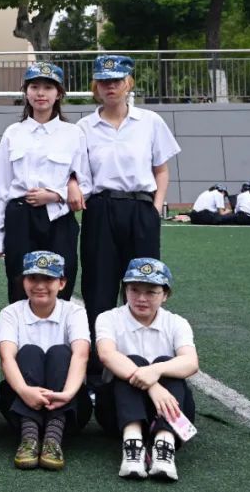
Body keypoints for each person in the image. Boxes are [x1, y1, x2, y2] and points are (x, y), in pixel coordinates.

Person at [75, 55, 180, 374]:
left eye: (117, 81)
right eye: (104, 82)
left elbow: (161, 169)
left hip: (140, 209)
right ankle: (97, 370)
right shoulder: (84, 127)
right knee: (99, 287)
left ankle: (142, 360)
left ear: (128, 83)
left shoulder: (150, 121)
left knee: (143, 285)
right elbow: (75, 171)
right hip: (101, 209)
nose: (111, 87)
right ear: (96, 86)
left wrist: (155, 206)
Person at [0, 62, 89, 302]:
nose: (41, 93)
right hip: (20, 218)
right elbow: (0, 186)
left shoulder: (73, 133)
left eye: (48, 87)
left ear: (59, 94)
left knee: (61, 280)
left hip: (58, 218)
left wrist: (56, 195)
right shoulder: (13, 133)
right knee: (19, 282)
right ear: (26, 92)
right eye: (34, 87)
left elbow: (87, 184)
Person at [95, 258, 199, 481]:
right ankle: (132, 444)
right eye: (134, 290)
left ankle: (164, 445)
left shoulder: (177, 323)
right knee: (131, 361)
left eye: (151, 292)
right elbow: (106, 355)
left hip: (166, 409)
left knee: (165, 362)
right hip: (116, 412)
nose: (141, 298)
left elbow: (191, 362)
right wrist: (152, 385)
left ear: (165, 295)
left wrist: (157, 370)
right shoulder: (108, 318)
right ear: (125, 290)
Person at [0, 252, 91, 472]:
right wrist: (24, 391)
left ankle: (53, 438)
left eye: (48, 279)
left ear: (62, 283)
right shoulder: (11, 312)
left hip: (68, 406)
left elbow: (81, 354)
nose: (40, 286)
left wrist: (67, 394)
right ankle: (29, 437)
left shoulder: (75, 312)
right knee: (29, 352)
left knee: (60, 352)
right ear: (24, 281)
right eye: (33, 278)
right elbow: (7, 356)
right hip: (21, 402)